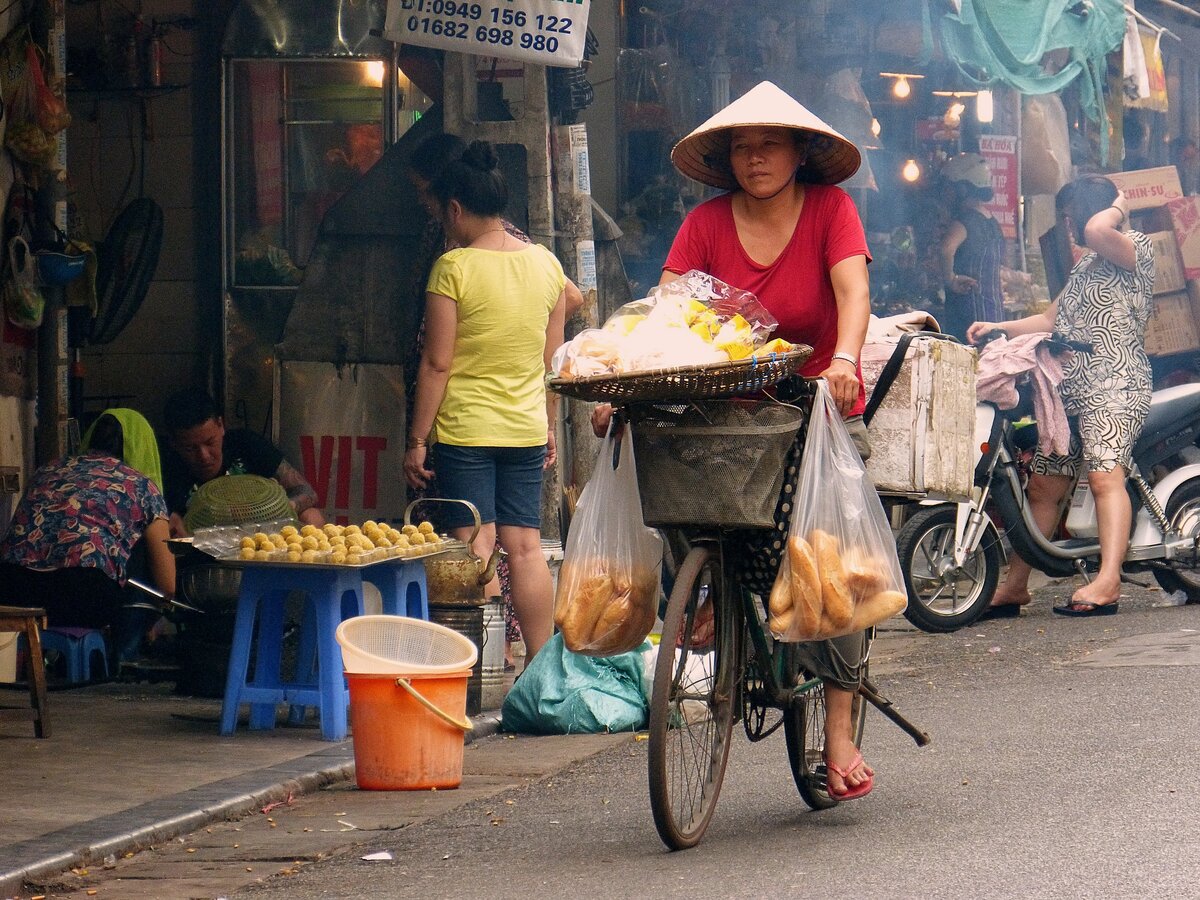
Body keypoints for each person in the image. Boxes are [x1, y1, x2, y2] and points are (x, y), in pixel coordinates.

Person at [594, 81, 875, 800]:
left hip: (814, 405)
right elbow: (663, 315)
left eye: (769, 144)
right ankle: (712, 587)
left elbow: (852, 296)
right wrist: (624, 382)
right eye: (743, 147)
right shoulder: (706, 225)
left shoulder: (831, 210)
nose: (755, 158)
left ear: (798, 152)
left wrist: (843, 360)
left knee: (834, 565)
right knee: (672, 478)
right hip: (720, 410)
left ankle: (838, 733)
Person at [406, 132, 584, 667]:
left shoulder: (453, 268)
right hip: (525, 428)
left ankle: (478, 672)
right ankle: (540, 671)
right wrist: (549, 425)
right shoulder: (546, 265)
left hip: (466, 431)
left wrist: (417, 440)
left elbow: (437, 364)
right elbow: (552, 365)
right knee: (526, 548)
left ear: (455, 208)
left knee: (475, 545)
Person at [968, 174, 1153, 617]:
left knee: (1105, 477)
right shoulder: (1086, 264)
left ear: (1092, 211)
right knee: (1044, 487)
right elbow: (1052, 319)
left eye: (1069, 215)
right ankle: (1015, 585)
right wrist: (999, 327)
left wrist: (1120, 205)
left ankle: (1107, 581)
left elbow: (1095, 230)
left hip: (1115, 381)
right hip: (1066, 388)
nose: (1067, 226)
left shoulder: (1134, 247)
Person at [0, 410, 175, 662]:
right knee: (142, 552)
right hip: (82, 595)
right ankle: (124, 656)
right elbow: (167, 584)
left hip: (11, 590)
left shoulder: (47, 470)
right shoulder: (142, 485)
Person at [162, 388, 324, 536]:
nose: (204, 456)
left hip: (262, 542)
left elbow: (308, 492)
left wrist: (281, 506)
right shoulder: (166, 467)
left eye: (210, 442)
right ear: (174, 443)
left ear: (221, 426)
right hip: (198, 551)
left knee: (312, 517)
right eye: (190, 449)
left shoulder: (245, 444)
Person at [939, 153, 1005, 342]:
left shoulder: (964, 221)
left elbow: (946, 248)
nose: (946, 193)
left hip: (969, 314)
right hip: (993, 312)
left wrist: (950, 279)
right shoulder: (991, 222)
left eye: (950, 187)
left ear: (963, 189)